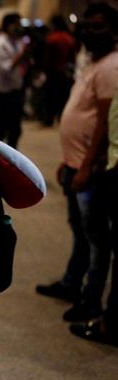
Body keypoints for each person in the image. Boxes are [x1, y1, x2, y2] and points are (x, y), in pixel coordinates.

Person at [36, 3, 118, 324]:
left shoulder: (111, 66)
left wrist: (85, 166)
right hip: (76, 162)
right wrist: (68, 160)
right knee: (80, 231)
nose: (89, 32)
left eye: (98, 27)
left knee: (97, 238)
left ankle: (91, 299)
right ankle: (73, 282)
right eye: (86, 26)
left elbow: (105, 123)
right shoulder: (93, 63)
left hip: (92, 168)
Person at [68, 83, 118, 347]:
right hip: (109, 165)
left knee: (98, 239)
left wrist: (87, 164)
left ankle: (107, 319)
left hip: (111, 168)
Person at [0, 13, 29, 148]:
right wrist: (23, 55)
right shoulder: (0, 43)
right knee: (1, 131)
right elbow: (5, 69)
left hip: (16, 90)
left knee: (15, 130)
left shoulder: (17, 41)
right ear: (8, 25)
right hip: (5, 93)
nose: (19, 27)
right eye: (16, 24)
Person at [40, 15, 76, 127]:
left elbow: (47, 57)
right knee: (63, 97)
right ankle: (61, 118)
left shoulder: (51, 38)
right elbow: (72, 57)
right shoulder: (69, 38)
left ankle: (49, 119)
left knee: (50, 97)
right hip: (64, 71)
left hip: (52, 71)